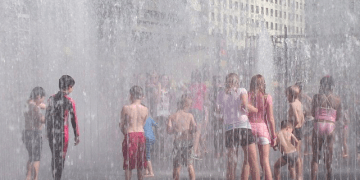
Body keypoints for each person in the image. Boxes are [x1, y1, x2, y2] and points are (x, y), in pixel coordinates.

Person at [216, 73, 260, 180]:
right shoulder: (241, 90)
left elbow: (218, 112)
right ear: (237, 82)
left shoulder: (221, 94)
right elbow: (244, 104)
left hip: (229, 129)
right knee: (252, 160)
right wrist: (255, 109)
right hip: (243, 127)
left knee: (231, 163)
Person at [46, 75, 80, 180]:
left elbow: (48, 117)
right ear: (69, 87)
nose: (72, 89)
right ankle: (58, 178)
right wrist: (76, 135)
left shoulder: (51, 99)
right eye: (72, 87)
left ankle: (55, 177)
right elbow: (74, 120)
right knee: (61, 158)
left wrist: (48, 132)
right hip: (63, 134)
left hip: (52, 133)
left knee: (54, 157)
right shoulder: (70, 101)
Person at [311, 76, 342, 180]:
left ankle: (313, 178)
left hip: (318, 125)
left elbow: (312, 113)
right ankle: (328, 176)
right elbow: (338, 117)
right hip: (330, 126)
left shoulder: (316, 97)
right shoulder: (337, 99)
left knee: (315, 157)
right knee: (328, 157)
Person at [247, 74, 276, 180]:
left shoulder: (248, 96)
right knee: (265, 161)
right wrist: (274, 136)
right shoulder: (267, 97)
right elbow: (271, 119)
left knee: (251, 162)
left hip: (249, 128)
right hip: (262, 129)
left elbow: (245, 114)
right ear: (263, 84)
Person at [120, 86, 148, 180]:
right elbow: (143, 124)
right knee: (140, 164)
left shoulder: (126, 108)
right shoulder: (145, 109)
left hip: (130, 135)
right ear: (141, 96)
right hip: (141, 135)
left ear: (131, 95)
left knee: (128, 165)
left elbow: (121, 125)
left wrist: (125, 133)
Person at [167, 94, 197, 180]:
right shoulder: (190, 116)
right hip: (188, 143)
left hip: (178, 143)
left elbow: (169, 130)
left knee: (177, 166)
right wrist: (191, 130)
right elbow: (195, 128)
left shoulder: (173, 116)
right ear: (187, 105)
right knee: (190, 166)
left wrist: (174, 129)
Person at [23, 87, 46, 180]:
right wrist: (49, 114)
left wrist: (42, 105)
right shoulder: (34, 107)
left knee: (31, 157)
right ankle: (34, 178)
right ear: (38, 97)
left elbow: (37, 106)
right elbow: (41, 119)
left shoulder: (28, 104)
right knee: (36, 159)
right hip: (34, 134)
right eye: (42, 99)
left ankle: (28, 177)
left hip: (27, 133)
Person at [286, 85, 305, 179]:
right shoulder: (300, 103)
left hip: (294, 131)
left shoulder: (292, 104)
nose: (286, 97)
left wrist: (290, 130)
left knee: (292, 156)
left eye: (287, 95)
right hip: (300, 130)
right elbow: (303, 119)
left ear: (291, 94)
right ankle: (300, 176)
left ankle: (293, 177)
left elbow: (297, 119)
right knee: (298, 155)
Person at [189, 70, 208, 158]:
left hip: (192, 110)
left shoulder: (191, 86)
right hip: (199, 109)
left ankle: (197, 150)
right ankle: (194, 151)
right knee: (198, 131)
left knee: (194, 131)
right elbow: (206, 99)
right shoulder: (203, 86)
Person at [294, 82, 313, 156]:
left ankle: (314, 149)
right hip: (301, 120)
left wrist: (305, 113)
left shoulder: (305, 98)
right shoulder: (296, 98)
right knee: (301, 137)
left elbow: (311, 108)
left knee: (307, 137)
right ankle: (302, 152)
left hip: (308, 119)